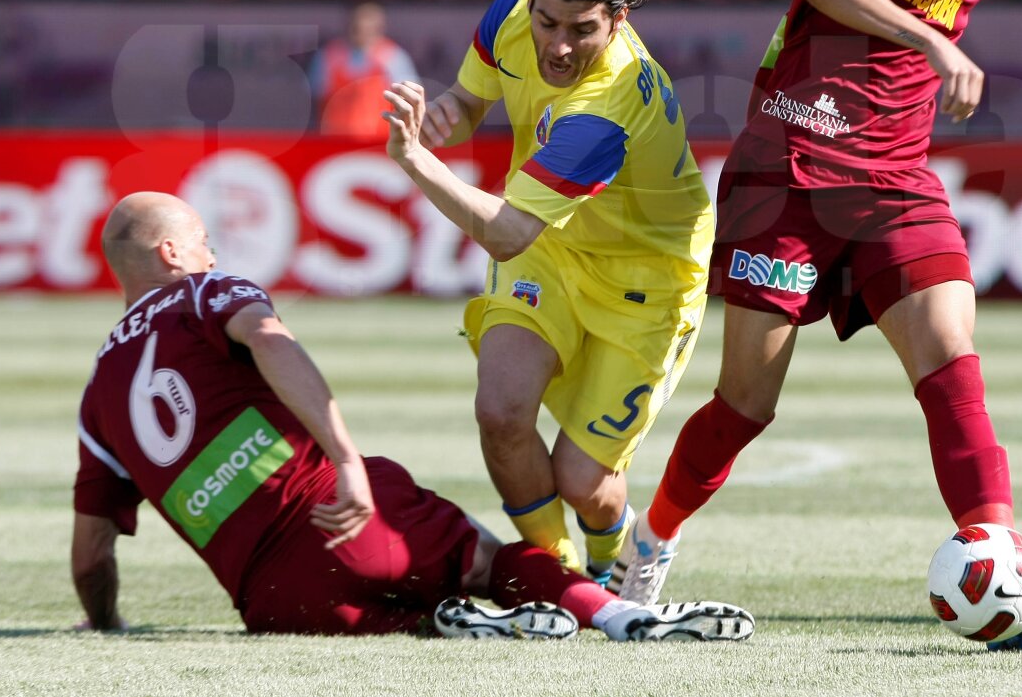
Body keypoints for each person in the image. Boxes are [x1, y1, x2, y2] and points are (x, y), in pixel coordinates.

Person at [610, 0, 1022, 653]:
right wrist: (935, 42)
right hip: (790, 171)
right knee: (745, 405)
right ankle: (649, 544)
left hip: (896, 183)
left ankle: (1002, 563)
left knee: (952, 359)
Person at [72, 192, 753, 642]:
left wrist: (104, 621)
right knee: (490, 562)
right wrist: (345, 461)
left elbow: (91, 555)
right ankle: (617, 614)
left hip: (277, 601)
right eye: (203, 241)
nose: (212, 254)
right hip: (357, 521)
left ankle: (456, 624)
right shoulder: (205, 291)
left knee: (414, 626)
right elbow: (271, 340)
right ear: (170, 253)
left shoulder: (98, 393)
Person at [382, 0, 713, 586]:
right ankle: (557, 579)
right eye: (548, 23)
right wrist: (447, 113)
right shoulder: (512, 9)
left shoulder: (606, 107)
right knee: (500, 412)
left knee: (583, 481)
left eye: (582, 30)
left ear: (618, 21)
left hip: (648, 281)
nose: (559, 46)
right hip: (551, 251)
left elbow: (506, 232)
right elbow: (471, 99)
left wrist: (415, 159)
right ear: (531, 2)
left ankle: (613, 557)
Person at [310, 2, 419, 137]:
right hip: (335, 141)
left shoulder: (394, 57)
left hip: (381, 142)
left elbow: (410, 102)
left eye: (370, 27)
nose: (364, 32)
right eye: (358, 27)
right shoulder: (328, 56)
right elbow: (316, 101)